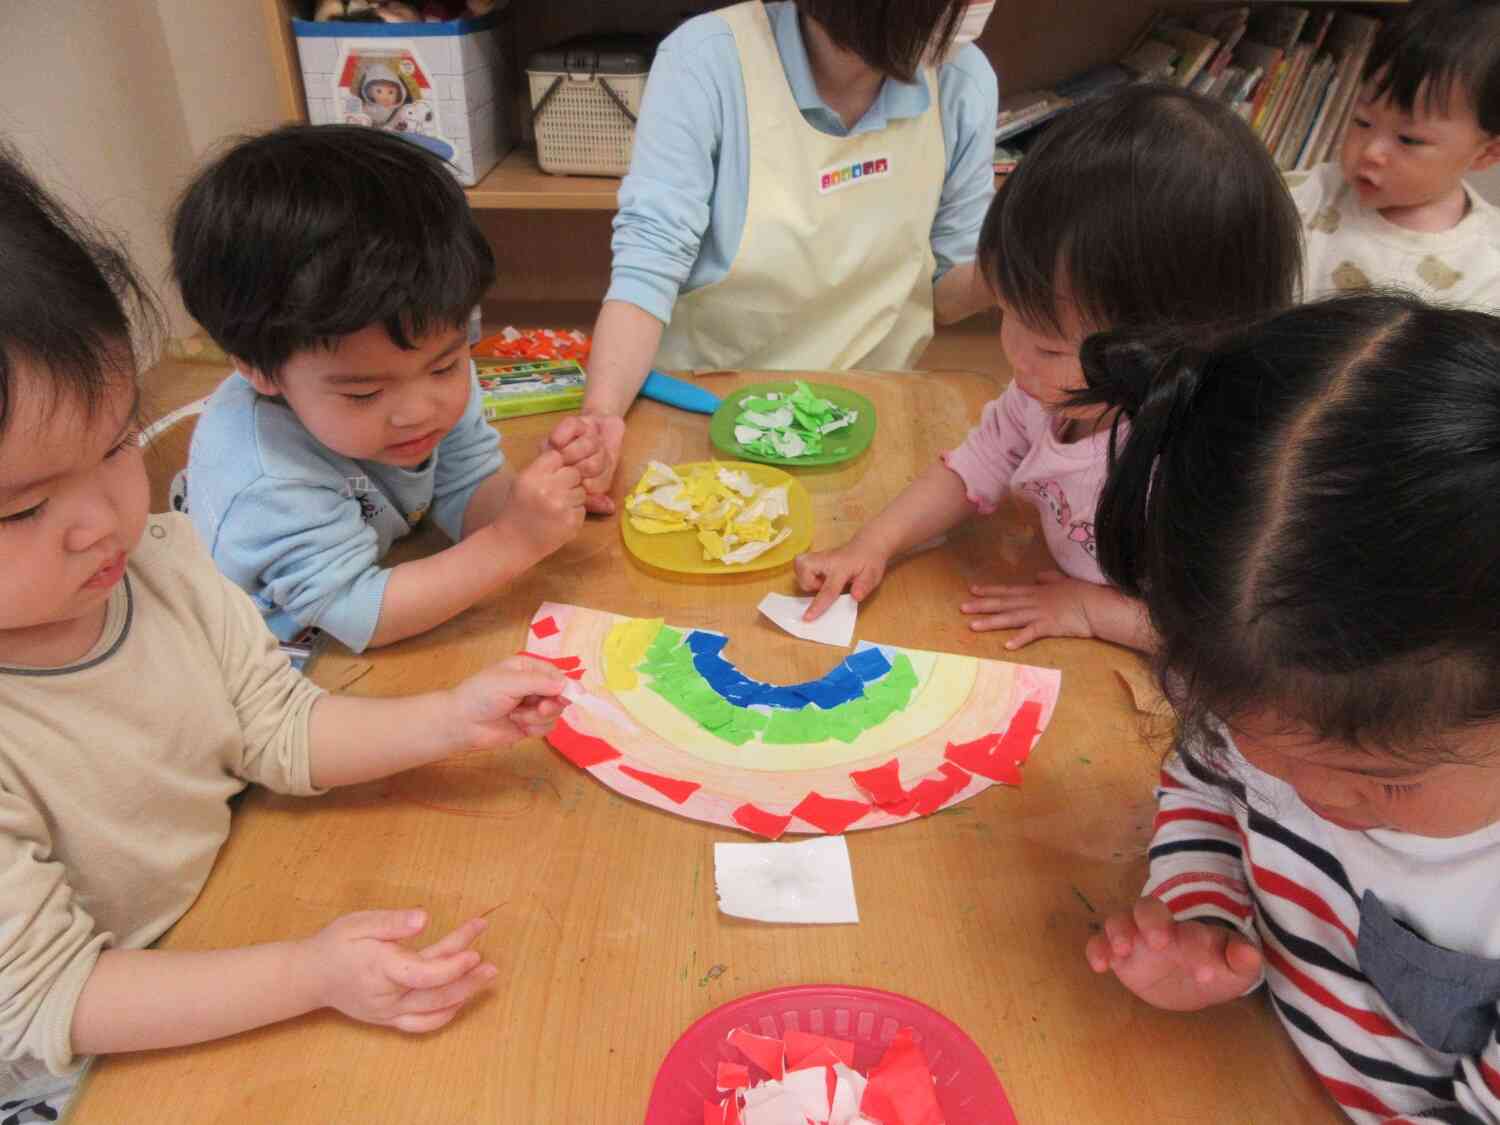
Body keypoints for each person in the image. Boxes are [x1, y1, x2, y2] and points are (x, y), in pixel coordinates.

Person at [0, 144, 569, 1124]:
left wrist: (447, 718)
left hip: (225, 915)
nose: (102, 522)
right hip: (79, 1071)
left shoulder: (162, 565)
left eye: (110, 449)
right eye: (20, 511)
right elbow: (55, 1000)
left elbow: (273, 726)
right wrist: (307, 974)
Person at [1082, 293, 1500, 1124]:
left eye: (1384, 786)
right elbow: (1203, 788)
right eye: (1258, 750)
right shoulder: (1282, 713)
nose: (1311, 800)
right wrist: (1200, 914)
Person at [794, 86, 1302, 651]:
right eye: (1007, 316)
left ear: (1174, 347)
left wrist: (1092, 609)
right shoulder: (1047, 391)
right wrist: (873, 544)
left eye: (1052, 349)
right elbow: (974, 466)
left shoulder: (1198, 467)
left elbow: (1227, 643)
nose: (1015, 355)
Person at [558, 0, 1001, 513]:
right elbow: (645, 271)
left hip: (863, 413)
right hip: (704, 406)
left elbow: (946, 295)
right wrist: (602, 416)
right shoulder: (707, 60)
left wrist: (1018, 268)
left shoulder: (961, 78)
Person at [174, 126, 602, 653]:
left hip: (380, 583)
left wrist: (537, 501)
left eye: (445, 366)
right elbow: (360, 614)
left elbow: (465, 485)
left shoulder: (412, 371)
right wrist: (512, 541)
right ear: (260, 371)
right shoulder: (265, 477)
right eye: (363, 395)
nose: (420, 411)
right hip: (281, 663)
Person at [1289, 0, 1500, 304]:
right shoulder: (1306, 196)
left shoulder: (1487, 264)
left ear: (1487, 154)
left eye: (1409, 139)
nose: (1371, 151)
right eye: (1363, 121)